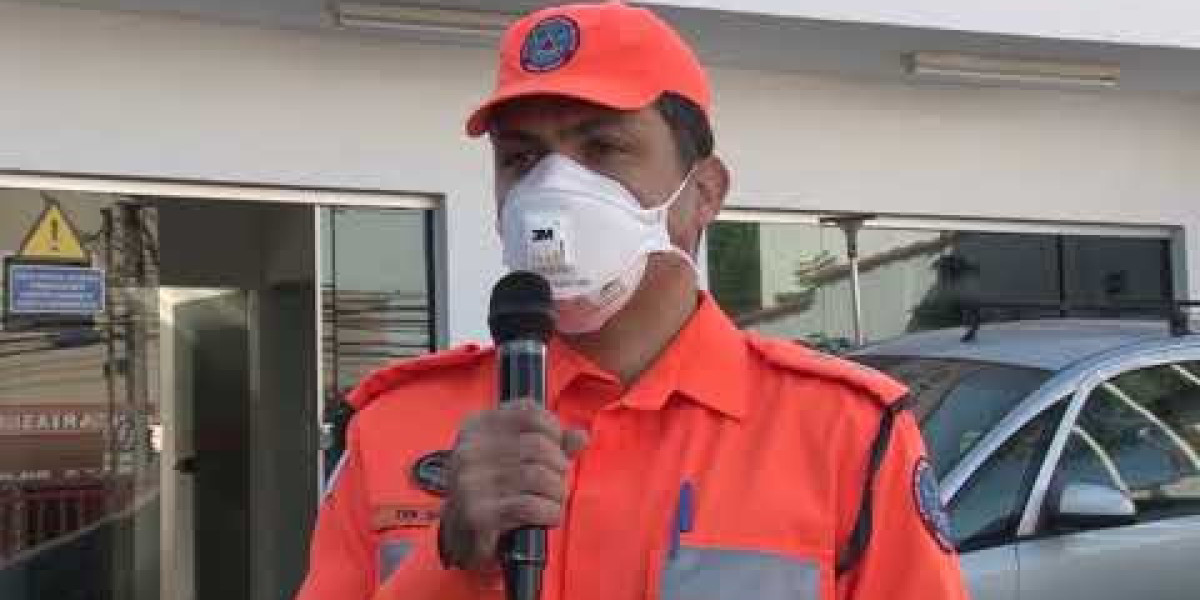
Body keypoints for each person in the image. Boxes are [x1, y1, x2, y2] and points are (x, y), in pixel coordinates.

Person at [296, 3, 969, 599]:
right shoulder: (392, 428)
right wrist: (449, 562)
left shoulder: (840, 434)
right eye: (521, 159)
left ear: (703, 194)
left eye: (603, 147)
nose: (554, 189)